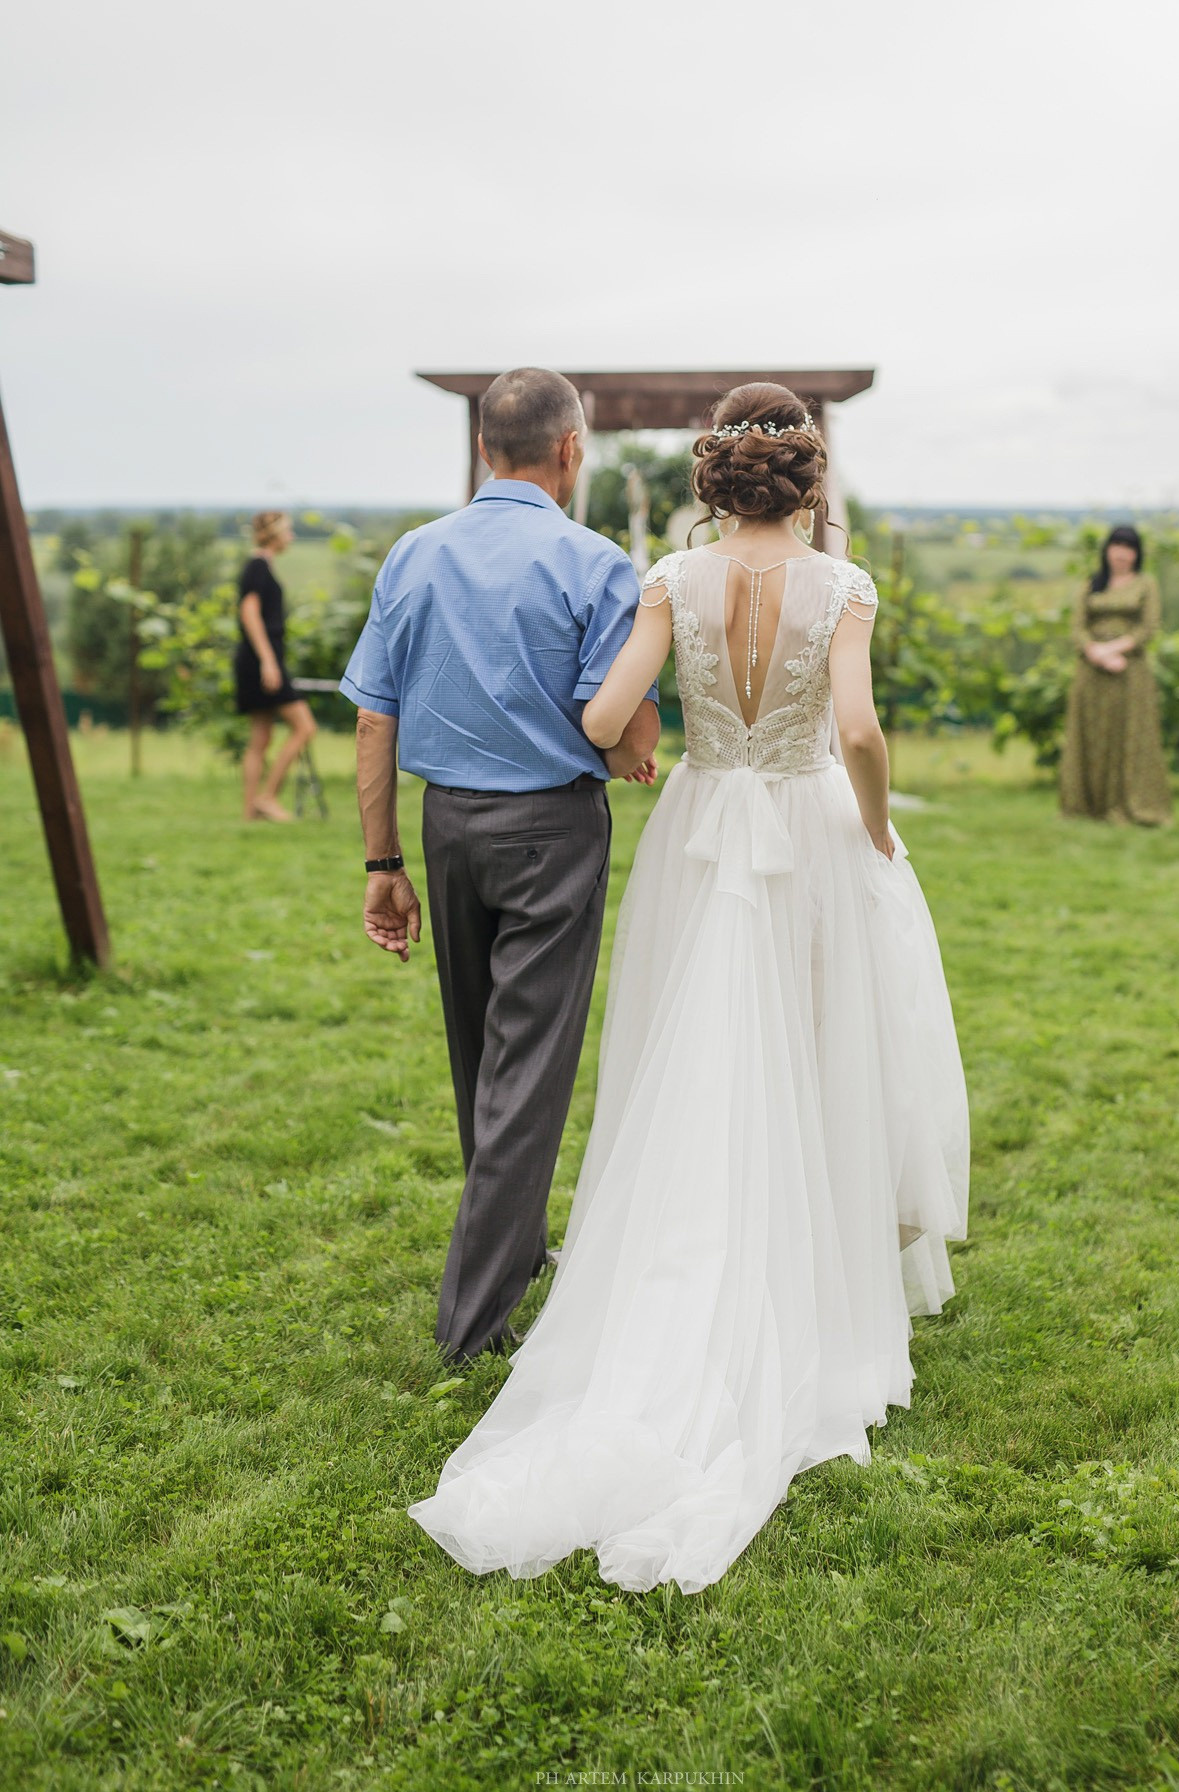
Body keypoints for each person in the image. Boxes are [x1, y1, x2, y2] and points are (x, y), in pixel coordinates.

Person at [407, 382, 969, 1595]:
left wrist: (648, 746)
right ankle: (814, 1270)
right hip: (810, 825)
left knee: (697, 1045)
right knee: (824, 1042)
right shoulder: (844, 586)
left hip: (706, 824)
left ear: (714, 478)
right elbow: (860, 733)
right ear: (807, 481)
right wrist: (871, 830)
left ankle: (693, 1249)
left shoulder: (667, 577)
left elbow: (607, 709)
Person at [340, 369, 660, 1365]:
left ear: (486, 449)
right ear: (570, 450)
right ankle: (470, 1331)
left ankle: (511, 1257)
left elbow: (371, 714)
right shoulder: (595, 564)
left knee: (482, 1061)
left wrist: (381, 860)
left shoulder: (412, 553)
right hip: (550, 835)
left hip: (443, 829)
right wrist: (643, 730)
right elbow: (615, 737)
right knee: (524, 1076)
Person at [1059, 524, 1171, 826]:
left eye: (1128, 547)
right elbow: (1077, 627)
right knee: (1092, 736)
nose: (1121, 554)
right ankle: (1088, 805)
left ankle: (1129, 805)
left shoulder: (1146, 584)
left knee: (1129, 735)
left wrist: (1114, 650)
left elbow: (1148, 627)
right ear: (1107, 550)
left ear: (1136, 553)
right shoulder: (1091, 584)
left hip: (1129, 671)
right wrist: (1095, 652)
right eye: (1116, 546)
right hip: (1091, 671)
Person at [234, 510, 317, 823]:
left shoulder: (260, 566)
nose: (291, 537)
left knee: (260, 738)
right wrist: (268, 662)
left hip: (257, 660)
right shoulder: (257, 567)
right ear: (275, 534)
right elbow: (249, 614)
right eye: (288, 531)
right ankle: (267, 797)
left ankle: (250, 813)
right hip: (262, 661)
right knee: (305, 727)